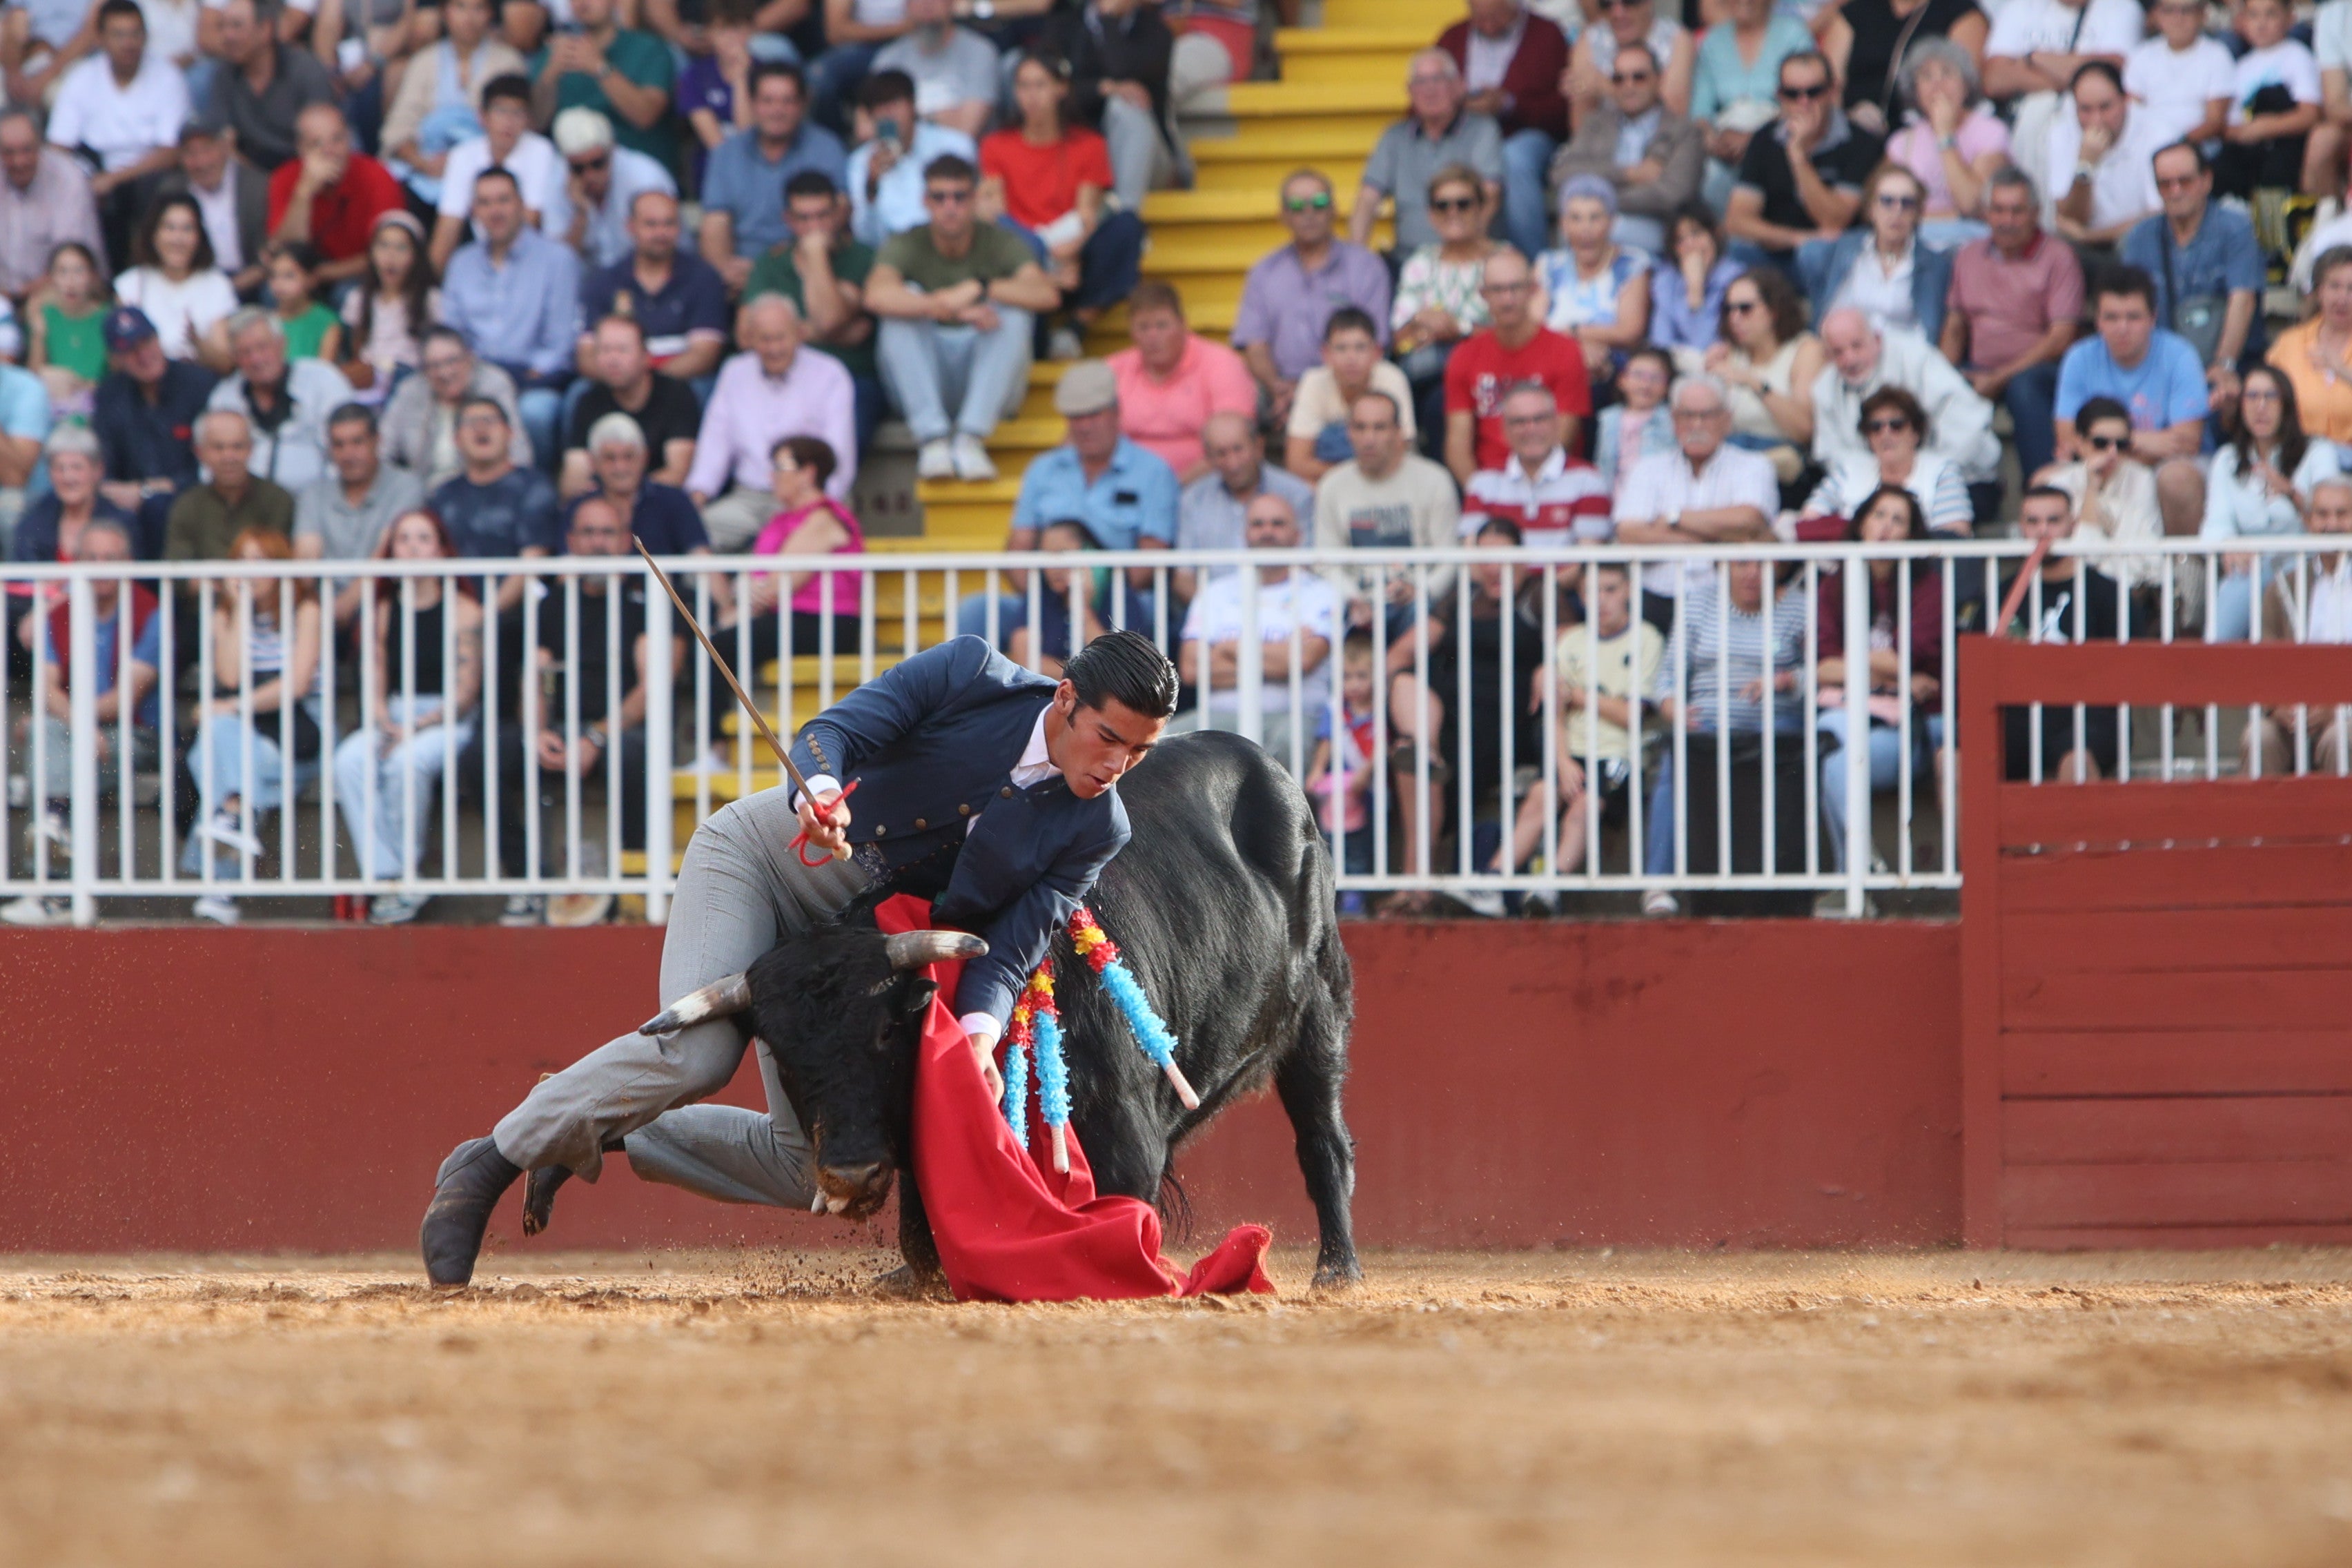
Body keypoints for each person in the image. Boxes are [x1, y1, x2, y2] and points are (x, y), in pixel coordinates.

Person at [418, 627, 1180, 1288]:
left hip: (853, 943)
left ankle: (581, 1124)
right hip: (759, 863)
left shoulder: (1099, 828)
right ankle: (489, 1161)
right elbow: (832, 732)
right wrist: (819, 792)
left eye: (1140, 751)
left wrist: (981, 1036)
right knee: (698, 1056)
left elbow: (1012, 949)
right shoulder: (973, 671)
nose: (1117, 764)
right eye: (1108, 738)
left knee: (800, 1165)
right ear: (1066, 698)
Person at [469, 496, 669, 931]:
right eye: (588, 533)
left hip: (617, 730)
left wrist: (596, 737)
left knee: (634, 756)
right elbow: (538, 674)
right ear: (572, 541)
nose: (598, 543)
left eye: (607, 533)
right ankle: (527, 880)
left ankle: (631, 884)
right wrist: (537, 731)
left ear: (624, 541)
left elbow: (649, 687)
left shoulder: (642, 603)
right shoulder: (552, 605)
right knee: (484, 752)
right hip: (559, 725)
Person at [1467, 558, 1663, 900]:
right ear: (1581, 596)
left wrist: (1576, 695)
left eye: (1610, 590)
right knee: (1539, 797)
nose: (1600, 600)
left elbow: (1631, 715)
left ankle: (1552, 885)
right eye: (1591, 591)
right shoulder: (1571, 641)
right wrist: (1562, 761)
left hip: (1618, 754)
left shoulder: (1646, 638)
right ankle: (1491, 885)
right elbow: (1554, 714)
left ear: (1629, 591)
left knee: (1584, 807)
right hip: (1570, 752)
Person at [332, 508, 485, 925]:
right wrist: (385, 722)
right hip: (395, 713)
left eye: (423, 538)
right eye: (404, 539)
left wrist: (414, 728)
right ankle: (388, 875)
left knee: (408, 762)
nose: (413, 547)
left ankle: (408, 876)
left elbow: (466, 693)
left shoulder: (464, 609)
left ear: (441, 549)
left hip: (445, 717)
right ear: (391, 551)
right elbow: (376, 676)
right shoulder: (383, 609)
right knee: (348, 759)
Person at [1, 518, 157, 925]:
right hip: (80, 732)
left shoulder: (149, 610)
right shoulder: (60, 614)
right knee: (45, 730)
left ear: (129, 562)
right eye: (92, 557)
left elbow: (125, 699)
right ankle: (55, 834)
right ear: (75, 561)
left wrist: (78, 724)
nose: (101, 567)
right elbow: (46, 687)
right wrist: (83, 727)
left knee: (48, 736)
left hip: (134, 734)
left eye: (111, 558)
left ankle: (52, 881)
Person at [867, 153, 1057, 482]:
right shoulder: (907, 241)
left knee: (1013, 313)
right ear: (926, 201)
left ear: (974, 199)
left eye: (959, 197)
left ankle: (971, 437)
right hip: (925, 383)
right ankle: (933, 440)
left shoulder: (999, 240)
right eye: (940, 197)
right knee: (900, 312)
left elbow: (1046, 295)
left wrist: (981, 287)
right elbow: (875, 295)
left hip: (988, 386)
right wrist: (940, 306)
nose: (950, 207)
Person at [1636, 547, 1807, 915]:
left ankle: (1781, 887)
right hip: (1707, 722)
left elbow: (1822, 672)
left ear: (1778, 566)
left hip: (1775, 723)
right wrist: (1672, 707)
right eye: (1741, 563)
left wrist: (1786, 679)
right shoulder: (1699, 604)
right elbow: (1668, 675)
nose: (1751, 573)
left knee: (1786, 751)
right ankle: (1658, 884)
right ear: (1723, 567)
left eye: (1761, 563)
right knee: (1676, 759)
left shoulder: (1799, 607)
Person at [1382, 517, 1545, 891]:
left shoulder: (1537, 595)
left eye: (1503, 558)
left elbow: (1569, 648)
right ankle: (1424, 751)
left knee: (1418, 760)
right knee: (1408, 706)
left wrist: (1548, 668)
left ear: (1522, 560)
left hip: (1501, 721)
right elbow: (1402, 652)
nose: (1493, 568)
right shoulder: (1463, 596)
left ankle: (1415, 887)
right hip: (1446, 713)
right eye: (1485, 559)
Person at [959, 358, 1175, 636]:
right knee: (975, 611)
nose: (1085, 426)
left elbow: (1151, 558)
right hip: (1049, 596)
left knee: (1149, 607)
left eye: (1094, 414)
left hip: (1119, 598)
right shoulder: (1043, 469)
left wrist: (1096, 592)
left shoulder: (1152, 471)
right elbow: (1018, 547)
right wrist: (1049, 597)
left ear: (1116, 412)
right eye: (1076, 417)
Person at [177, 524, 324, 925]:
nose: (249, 570)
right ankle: (233, 815)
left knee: (216, 747)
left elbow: (296, 685)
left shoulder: (306, 610)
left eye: (260, 561)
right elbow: (230, 675)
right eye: (241, 561)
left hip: (295, 732)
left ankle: (218, 885)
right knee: (221, 739)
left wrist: (233, 706)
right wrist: (240, 608)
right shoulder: (224, 614)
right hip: (247, 735)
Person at [978, 48, 1146, 364]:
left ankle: (1076, 328)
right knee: (1008, 239)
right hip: (1023, 255)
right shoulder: (996, 145)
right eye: (1023, 86)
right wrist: (1044, 265)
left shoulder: (1089, 145)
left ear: (1061, 88)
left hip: (1070, 254)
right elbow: (996, 213)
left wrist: (1065, 255)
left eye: (1040, 85)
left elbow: (1086, 215)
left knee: (1127, 227)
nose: (1031, 96)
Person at [696, 435, 864, 744]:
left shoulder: (824, 517)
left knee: (717, 646)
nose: (771, 476)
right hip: (788, 618)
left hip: (823, 622)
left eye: (780, 467)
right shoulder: (781, 520)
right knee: (711, 639)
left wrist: (745, 599)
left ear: (808, 473)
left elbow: (774, 586)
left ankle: (715, 747)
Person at [1812, 484, 1945, 871]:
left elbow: (1906, 656)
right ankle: (1860, 865)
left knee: (1833, 757)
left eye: (1898, 520)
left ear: (1911, 535)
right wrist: (1894, 674)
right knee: (1832, 737)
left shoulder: (1928, 586)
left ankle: (1852, 871)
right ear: (1862, 523)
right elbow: (1822, 668)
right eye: (1879, 515)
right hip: (1852, 713)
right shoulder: (1834, 585)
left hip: (1911, 725)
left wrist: (1853, 663)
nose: (1886, 526)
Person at [1985, 483, 2144, 781]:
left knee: (2077, 761)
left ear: (2073, 525)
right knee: (1955, 756)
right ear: (2021, 527)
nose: (2043, 531)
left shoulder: (2107, 593)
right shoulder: (2001, 595)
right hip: (2017, 714)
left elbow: (2128, 671)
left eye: (2054, 521)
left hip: (2088, 714)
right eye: (2033, 521)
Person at [1941, 166, 2083, 486]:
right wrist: (1942, 376)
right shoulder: (1968, 256)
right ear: (1986, 213)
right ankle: (1957, 493)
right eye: (1998, 210)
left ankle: (2043, 490)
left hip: (2039, 371)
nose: (2007, 220)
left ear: (2035, 213)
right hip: (1978, 368)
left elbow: (2060, 338)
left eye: (2017, 211)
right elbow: (1955, 327)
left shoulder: (2058, 257)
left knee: (2024, 389)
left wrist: (1999, 377)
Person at [1174, 491, 1339, 761]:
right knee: (1161, 745)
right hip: (1219, 717)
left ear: (1298, 535)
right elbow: (1192, 670)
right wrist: (1281, 658)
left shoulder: (1321, 592)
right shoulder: (1214, 592)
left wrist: (1228, 649)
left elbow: (1302, 660)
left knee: (1287, 744)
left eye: (1278, 524)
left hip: (1293, 717)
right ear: (1245, 534)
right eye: (1258, 524)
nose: (1267, 532)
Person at [687, 295, 856, 550]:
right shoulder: (735, 373)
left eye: (781, 338)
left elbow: (839, 458)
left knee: (809, 539)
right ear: (750, 339)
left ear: (800, 334)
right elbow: (715, 443)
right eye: (765, 339)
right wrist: (697, 497)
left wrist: (819, 508)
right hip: (749, 500)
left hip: (809, 498)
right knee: (693, 534)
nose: (774, 348)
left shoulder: (831, 374)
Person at [439, 167, 580, 472]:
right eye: (485, 203)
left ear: (521, 204)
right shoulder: (461, 263)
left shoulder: (557, 259)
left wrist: (520, 380)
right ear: (474, 211)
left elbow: (560, 344)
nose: (495, 211)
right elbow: (451, 337)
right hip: (474, 380)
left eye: (503, 200)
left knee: (536, 412)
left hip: (533, 382)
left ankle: (536, 488)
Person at [1232, 170, 1393, 431]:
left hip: (1350, 383)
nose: (1309, 213)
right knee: (1239, 400)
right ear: (1283, 216)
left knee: (1388, 383)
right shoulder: (1264, 272)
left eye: (1319, 203)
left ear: (1334, 210)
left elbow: (1375, 343)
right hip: (1282, 386)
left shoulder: (1366, 267)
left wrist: (1317, 390)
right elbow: (1255, 346)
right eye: (1297, 206)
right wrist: (1278, 387)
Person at [2053, 268, 2207, 537]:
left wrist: (2103, 444)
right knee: (2045, 482)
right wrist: (2134, 443)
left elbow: (2187, 441)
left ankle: (2184, 563)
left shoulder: (2180, 355)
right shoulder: (2079, 358)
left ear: (2153, 318)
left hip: (2164, 467)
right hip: (2099, 463)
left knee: (2178, 479)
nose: (2122, 328)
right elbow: (2068, 440)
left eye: (2133, 317)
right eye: (2111, 317)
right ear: (2097, 321)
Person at [1613, 375, 1778, 623]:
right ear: (1673, 420)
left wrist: (1674, 518)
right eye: (1687, 415)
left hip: (1728, 602)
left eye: (1707, 415)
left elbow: (1749, 520)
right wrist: (1716, 541)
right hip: (1656, 598)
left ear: (1726, 419)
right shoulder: (1647, 469)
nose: (1696, 424)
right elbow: (1629, 533)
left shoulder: (1754, 465)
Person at [46, 1, 188, 270]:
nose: (128, 43)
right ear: (100, 39)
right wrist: (84, 180)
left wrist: (114, 179)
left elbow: (170, 153)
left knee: (158, 186)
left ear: (146, 36)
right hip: (93, 170)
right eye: (119, 35)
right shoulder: (81, 78)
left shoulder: (167, 77)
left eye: (135, 34)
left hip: (145, 173)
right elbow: (58, 147)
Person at [2121, 141, 2264, 409]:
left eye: (2184, 181)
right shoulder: (2140, 238)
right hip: (2160, 367)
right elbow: (2129, 307)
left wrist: (2224, 364)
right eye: (2165, 184)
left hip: (2223, 364)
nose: (2175, 191)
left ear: (2206, 180)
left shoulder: (2235, 228)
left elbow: (2243, 300)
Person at [743, 171, 880, 450]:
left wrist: (815, 255)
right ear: (788, 220)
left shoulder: (862, 258)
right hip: (781, 375)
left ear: (839, 214)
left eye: (822, 216)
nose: (815, 227)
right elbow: (746, 335)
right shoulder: (771, 263)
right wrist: (833, 335)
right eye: (804, 218)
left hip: (850, 376)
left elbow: (828, 320)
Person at [2204, 364, 2340, 642]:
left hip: (2306, 561)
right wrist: (2230, 547)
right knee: (2241, 582)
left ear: (2287, 405)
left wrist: (2291, 494)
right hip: (2250, 565)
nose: (2261, 406)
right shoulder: (2227, 460)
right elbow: (2215, 525)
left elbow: (2332, 516)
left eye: (2271, 396)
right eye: (2252, 396)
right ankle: (2211, 660)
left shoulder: (2318, 451)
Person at [1311, 390, 1461, 640]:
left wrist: (1421, 591)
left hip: (1417, 603)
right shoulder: (1332, 485)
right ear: (1349, 432)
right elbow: (1325, 561)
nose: (1369, 439)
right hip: (1355, 602)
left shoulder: (1435, 480)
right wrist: (1353, 597)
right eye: (1360, 428)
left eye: (1379, 428)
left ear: (1398, 432)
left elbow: (1450, 557)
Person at [1814, 306, 1999, 500]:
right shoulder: (1824, 388)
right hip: (1874, 493)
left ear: (1877, 339)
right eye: (1838, 352)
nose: (1850, 359)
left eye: (1857, 346)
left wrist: (1920, 477)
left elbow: (1967, 428)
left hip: (1962, 480)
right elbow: (1833, 456)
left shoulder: (1916, 357)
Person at [1723, 51, 1881, 274]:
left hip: (1836, 258)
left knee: (1814, 252)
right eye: (1792, 94)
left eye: (1814, 92)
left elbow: (1833, 222)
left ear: (1832, 91)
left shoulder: (1860, 142)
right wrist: (1798, 238)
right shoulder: (1764, 138)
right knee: (1735, 248)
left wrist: (1798, 156)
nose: (1804, 102)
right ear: (1779, 96)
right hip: (1779, 250)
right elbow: (1738, 220)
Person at [1442, 247, 1589, 487]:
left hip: (1552, 482)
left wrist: (1526, 494)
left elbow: (1564, 437)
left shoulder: (1565, 351)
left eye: (1516, 288)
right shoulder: (1464, 356)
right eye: (1497, 290)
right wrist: (1482, 494)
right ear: (1483, 294)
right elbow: (1458, 447)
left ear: (1533, 289)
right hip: (1488, 484)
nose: (1507, 300)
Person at [1438, 0, 1571, 262]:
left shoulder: (1547, 35)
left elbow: (1563, 111)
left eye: (1497, 18)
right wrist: (1457, 104)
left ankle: (1531, 264)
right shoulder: (1453, 37)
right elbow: (1424, 102)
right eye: (1481, 19)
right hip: (1466, 135)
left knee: (1514, 158)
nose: (1489, 26)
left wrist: (1510, 104)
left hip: (1527, 135)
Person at [698, 61, 850, 293]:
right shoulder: (727, 153)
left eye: (787, 101)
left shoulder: (827, 148)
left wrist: (769, 271)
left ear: (803, 103)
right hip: (741, 273)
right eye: (767, 101)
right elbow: (715, 223)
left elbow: (839, 214)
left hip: (807, 268)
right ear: (752, 103)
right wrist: (725, 273)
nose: (777, 111)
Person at [1549, 40, 1701, 257]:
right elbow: (1562, 173)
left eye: (1639, 77)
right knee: (1575, 231)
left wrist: (1599, 202)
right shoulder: (1595, 124)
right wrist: (1628, 174)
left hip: (1654, 225)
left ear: (1659, 79)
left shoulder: (1684, 131)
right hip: (1595, 222)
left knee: (1593, 231)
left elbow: (1672, 195)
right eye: (1619, 79)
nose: (1628, 86)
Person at [92, 305, 218, 555]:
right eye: (131, 350)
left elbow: (211, 462)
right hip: (130, 509)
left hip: (196, 498)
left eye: (147, 342)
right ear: (116, 358)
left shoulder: (199, 384)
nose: (144, 355)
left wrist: (152, 490)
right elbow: (105, 465)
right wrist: (123, 491)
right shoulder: (110, 396)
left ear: (158, 338)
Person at [378, 0, 529, 208]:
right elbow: (399, 127)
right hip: (427, 166)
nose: (469, 18)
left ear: (490, 14)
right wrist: (424, 164)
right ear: (445, 12)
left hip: (487, 171)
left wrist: (464, 164)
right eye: (460, 7)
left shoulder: (508, 61)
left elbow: (513, 126)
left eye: (478, 8)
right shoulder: (424, 61)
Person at [1354, 50, 1503, 258]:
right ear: (1410, 92)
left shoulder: (1482, 130)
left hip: (1466, 254)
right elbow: (1368, 199)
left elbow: (1490, 194)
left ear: (1458, 86)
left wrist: (1469, 251)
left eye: (1438, 79)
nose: (1429, 90)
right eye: (1420, 82)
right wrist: (1356, 256)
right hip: (1406, 257)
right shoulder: (1394, 137)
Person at [1037, 0, 1181, 216]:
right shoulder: (1064, 25)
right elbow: (1049, 90)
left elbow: (1121, 70)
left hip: (1150, 158)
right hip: (1079, 152)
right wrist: (1102, 88)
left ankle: (1126, 217)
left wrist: (1108, 20)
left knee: (1126, 106)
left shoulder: (1156, 31)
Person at [1391, 164, 1500, 449]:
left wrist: (1457, 329)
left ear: (1482, 208)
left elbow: (1518, 333)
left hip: (1492, 370)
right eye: (1443, 205)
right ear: (1431, 214)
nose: (1453, 212)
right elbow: (1399, 338)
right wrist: (1421, 323)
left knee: (1442, 399)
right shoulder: (1420, 262)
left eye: (1463, 204)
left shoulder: (1504, 260)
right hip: (1429, 376)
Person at [1104, 281, 1255, 485]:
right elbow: (1083, 438)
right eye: (1143, 328)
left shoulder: (1222, 364)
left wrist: (1170, 489)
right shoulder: (1113, 369)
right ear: (1132, 332)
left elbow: (1234, 447)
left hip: (1208, 485)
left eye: (1162, 326)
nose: (1152, 337)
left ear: (1183, 325)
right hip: (1123, 485)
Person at [578, 190, 730, 386]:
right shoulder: (603, 281)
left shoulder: (703, 278)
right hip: (616, 383)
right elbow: (587, 356)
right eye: (651, 224)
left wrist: (648, 386)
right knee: (579, 392)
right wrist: (628, 382)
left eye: (669, 224)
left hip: (682, 383)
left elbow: (704, 354)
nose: (661, 233)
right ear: (630, 227)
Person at [295, 402, 426, 625]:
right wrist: (315, 614)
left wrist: (341, 610)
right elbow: (306, 559)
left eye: (357, 442)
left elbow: (385, 553)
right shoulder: (313, 494)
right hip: (323, 611)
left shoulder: (405, 486)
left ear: (377, 441)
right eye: (339, 445)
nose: (348, 454)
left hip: (385, 606)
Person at [206, 306, 354, 493]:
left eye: (263, 347)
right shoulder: (224, 398)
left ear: (282, 344)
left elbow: (347, 450)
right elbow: (210, 465)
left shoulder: (324, 380)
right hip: (245, 503)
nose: (256, 359)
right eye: (245, 352)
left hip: (316, 500)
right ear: (235, 358)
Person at [1879, 39, 2009, 251]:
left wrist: (1945, 135)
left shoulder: (1991, 132)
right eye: (1927, 76)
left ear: (1966, 85)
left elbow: (1972, 206)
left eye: (1947, 73)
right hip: (1914, 243)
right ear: (1915, 90)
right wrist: (1948, 216)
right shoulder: (1901, 142)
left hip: (1970, 244)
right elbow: (1882, 210)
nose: (1937, 85)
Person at [431, 74, 567, 273]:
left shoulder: (541, 151)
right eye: (501, 111)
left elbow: (530, 222)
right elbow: (448, 225)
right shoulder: (462, 155)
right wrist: (429, 281)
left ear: (528, 119)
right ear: (482, 116)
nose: (509, 122)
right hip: (481, 256)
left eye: (518, 113)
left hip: (531, 260)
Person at [1805, 163, 1953, 344]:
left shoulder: (1935, 265)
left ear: (1918, 213)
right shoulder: (1844, 249)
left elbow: (1928, 333)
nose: (1897, 211)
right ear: (1871, 209)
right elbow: (1825, 315)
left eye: (1907, 203)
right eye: (1887, 201)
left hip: (1902, 355)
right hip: (1845, 351)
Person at [1176, 409, 1315, 598]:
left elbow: (1306, 565)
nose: (1233, 463)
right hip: (1213, 611)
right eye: (1221, 453)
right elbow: (1184, 577)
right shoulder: (1193, 499)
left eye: (1238, 450)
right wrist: (1217, 609)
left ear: (1258, 446)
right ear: (1208, 458)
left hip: (1284, 607)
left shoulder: (1296, 494)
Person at [1701, 266, 1820, 484]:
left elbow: (1804, 430)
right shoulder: (1729, 354)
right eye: (1729, 310)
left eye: (1745, 309)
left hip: (1784, 463)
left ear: (1774, 310)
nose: (1735, 318)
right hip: (1733, 452)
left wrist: (1754, 383)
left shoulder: (1805, 349)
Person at [2039, 394, 2164, 598]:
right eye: (2101, 443)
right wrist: (2092, 488)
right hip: (2072, 592)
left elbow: (2148, 557)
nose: (2112, 453)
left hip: (2130, 591)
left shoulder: (2142, 479)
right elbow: (2083, 557)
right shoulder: (2060, 484)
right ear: (2080, 442)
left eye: (2121, 445)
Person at [1801, 384, 1974, 533]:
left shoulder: (1941, 471)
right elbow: (1809, 520)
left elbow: (1954, 534)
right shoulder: (1849, 470)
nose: (1886, 434)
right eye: (1875, 427)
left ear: (1916, 432)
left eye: (1896, 425)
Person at [266, 101, 402, 288]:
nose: (329, 151)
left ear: (349, 139)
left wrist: (325, 274)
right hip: (301, 275)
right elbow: (286, 249)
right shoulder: (284, 178)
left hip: (359, 274)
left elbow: (390, 252)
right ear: (301, 148)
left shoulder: (377, 176)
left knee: (346, 291)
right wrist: (304, 193)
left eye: (337, 140)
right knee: (274, 290)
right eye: (316, 144)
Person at [531, 0, 677, 174]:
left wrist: (600, 69)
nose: (583, 3)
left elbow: (646, 115)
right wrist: (550, 74)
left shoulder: (649, 49)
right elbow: (535, 125)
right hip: (574, 174)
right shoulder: (554, 53)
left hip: (639, 173)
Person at [564, 314, 702, 498]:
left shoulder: (676, 394)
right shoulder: (588, 400)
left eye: (622, 350)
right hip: (604, 503)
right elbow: (574, 478)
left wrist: (624, 495)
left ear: (646, 357)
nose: (613, 359)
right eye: (605, 350)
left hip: (659, 500)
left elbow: (678, 473)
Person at [380, 324, 532, 489]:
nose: (444, 373)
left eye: (452, 361)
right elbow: (382, 449)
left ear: (469, 358)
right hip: (423, 492)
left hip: (487, 489)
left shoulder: (493, 384)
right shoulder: (410, 392)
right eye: (434, 366)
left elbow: (519, 453)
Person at [1461, 380, 1610, 545]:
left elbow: (1588, 555)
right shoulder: (1482, 482)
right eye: (1519, 421)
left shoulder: (1588, 480)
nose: (1531, 429)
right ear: (1504, 429)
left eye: (1540, 419)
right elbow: (1472, 552)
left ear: (1556, 422)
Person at [1536, 176, 1650, 390]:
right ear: (1563, 224)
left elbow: (1629, 331)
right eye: (1576, 218)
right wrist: (1575, 349)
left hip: (1610, 364)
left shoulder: (1632, 264)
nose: (1585, 228)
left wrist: (1573, 332)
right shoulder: (1549, 264)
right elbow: (1535, 326)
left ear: (1612, 222)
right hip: (1552, 358)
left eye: (1595, 218)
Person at [429, 395, 560, 579]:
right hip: (458, 596)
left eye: (490, 421)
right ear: (456, 439)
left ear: (510, 433)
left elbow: (534, 559)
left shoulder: (535, 488)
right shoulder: (442, 495)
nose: (481, 428)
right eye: (470, 423)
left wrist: (492, 600)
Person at [1819, 0, 1986, 141]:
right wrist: (1846, 118)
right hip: (1852, 133)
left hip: (1923, 136)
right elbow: (1829, 85)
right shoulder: (1854, 11)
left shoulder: (1961, 12)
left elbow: (1961, 88)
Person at [847, 68, 977, 248]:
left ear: (913, 105)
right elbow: (866, 237)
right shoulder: (860, 162)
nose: (889, 114)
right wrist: (872, 185)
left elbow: (973, 211)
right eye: (880, 108)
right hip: (892, 252)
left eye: (895, 104)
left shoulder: (956, 145)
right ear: (871, 116)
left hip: (949, 245)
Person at [1284, 306, 1416, 484]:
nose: (1351, 358)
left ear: (1377, 353)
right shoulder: (1313, 381)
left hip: (1385, 480)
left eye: (1360, 348)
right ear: (1326, 354)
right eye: (1341, 348)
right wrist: (1349, 483)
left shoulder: (1392, 378)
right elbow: (1296, 463)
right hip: (1334, 482)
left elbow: (1400, 452)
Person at [204, 0, 336, 174]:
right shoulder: (224, 74)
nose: (227, 36)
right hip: (250, 177)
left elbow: (323, 140)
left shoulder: (306, 71)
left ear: (265, 30)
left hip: (306, 173)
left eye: (237, 26)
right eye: (222, 26)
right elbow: (222, 139)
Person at [115, 193, 237, 369]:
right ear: (154, 234)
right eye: (169, 228)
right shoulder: (130, 285)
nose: (178, 239)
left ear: (199, 236)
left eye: (187, 229)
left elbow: (226, 363)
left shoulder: (217, 284)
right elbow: (118, 361)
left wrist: (197, 343)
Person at [2048, 61, 2162, 252]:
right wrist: (2085, 166)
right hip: (2084, 250)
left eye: (2105, 107)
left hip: (2140, 245)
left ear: (2125, 100)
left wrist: (2090, 237)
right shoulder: (2062, 134)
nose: (2097, 120)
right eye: (2086, 109)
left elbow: (2159, 218)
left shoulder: (2157, 134)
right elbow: (2068, 220)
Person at [550, 106, 678, 271]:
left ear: (612, 151)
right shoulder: (557, 178)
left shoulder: (645, 177)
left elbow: (664, 247)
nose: (589, 175)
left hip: (642, 276)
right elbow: (558, 263)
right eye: (578, 168)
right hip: (586, 281)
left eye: (597, 164)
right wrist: (581, 216)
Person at [2215, 0, 2319, 202]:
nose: (2261, 23)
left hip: (2285, 148)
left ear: (2290, 19)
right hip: (2248, 151)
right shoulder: (2241, 66)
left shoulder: (2298, 57)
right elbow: (2230, 124)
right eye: (2254, 15)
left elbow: (2310, 114)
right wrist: (2242, 133)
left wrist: (2265, 127)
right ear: (2242, 21)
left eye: (2270, 15)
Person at [576, 411, 713, 564]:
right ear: (593, 462)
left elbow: (704, 563)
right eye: (610, 458)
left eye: (628, 457)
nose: (620, 467)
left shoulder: (674, 501)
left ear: (644, 457)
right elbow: (564, 565)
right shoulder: (579, 507)